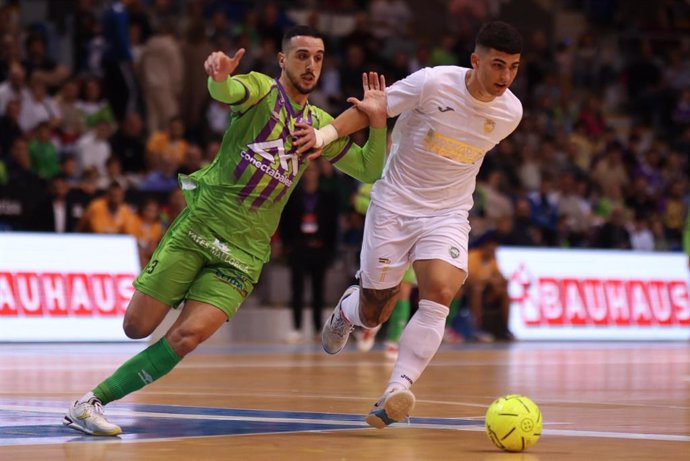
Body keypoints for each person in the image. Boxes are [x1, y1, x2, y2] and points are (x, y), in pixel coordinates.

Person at [63, 25, 387, 436]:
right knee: (137, 327)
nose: (311, 65)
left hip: (244, 254)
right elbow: (228, 92)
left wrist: (376, 122)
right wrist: (218, 78)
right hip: (200, 227)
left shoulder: (320, 125)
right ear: (282, 60)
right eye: (302, 55)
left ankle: (91, 402)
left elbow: (370, 169)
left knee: (187, 337)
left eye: (319, 57)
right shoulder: (261, 90)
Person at [313, 21, 523, 429]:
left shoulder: (510, 112)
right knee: (375, 311)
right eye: (498, 65)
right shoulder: (432, 83)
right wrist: (323, 137)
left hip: (447, 214)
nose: (506, 77)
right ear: (475, 60)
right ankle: (347, 310)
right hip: (394, 204)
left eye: (514, 67)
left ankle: (397, 389)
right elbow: (370, 111)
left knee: (441, 291)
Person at [279, 160, 340, 343]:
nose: (310, 174)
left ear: (318, 173)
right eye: (307, 170)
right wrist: (287, 244)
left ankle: (316, 328)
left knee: (318, 291)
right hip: (299, 248)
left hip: (319, 249)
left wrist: (329, 248)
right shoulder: (295, 196)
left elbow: (332, 225)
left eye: (313, 170)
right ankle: (296, 328)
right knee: (297, 289)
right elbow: (285, 222)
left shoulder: (326, 197)